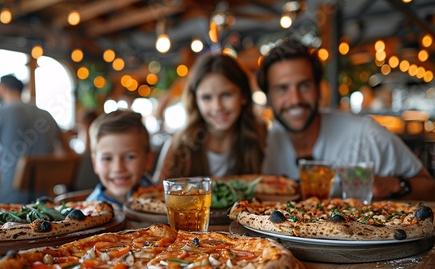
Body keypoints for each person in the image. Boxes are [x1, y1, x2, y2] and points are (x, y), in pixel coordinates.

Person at [256, 37, 435, 201]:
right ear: (269, 97)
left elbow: (429, 187)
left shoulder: (366, 135)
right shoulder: (265, 144)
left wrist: (395, 185)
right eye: (282, 88)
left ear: (319, 89)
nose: (295, 99)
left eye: (304, 85)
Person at [153, 53, 266, 181]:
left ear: (244, 96)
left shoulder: (261, 138)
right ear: (195, 101)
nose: (217, 106)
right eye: (207, 97)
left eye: (226, 95)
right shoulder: (178, 147)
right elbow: (155, 194)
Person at [0, 75, 69, 203]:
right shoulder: (47, 115)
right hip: (44, 201)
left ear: (2, 89)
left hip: (9, 203)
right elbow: (68, 155)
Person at [86, 109, 154, 209]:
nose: (118, 168)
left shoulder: (164, 197)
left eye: (129, 157)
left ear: (147, 160)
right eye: (108, 158)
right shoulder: (90, 211)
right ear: (95, 163)